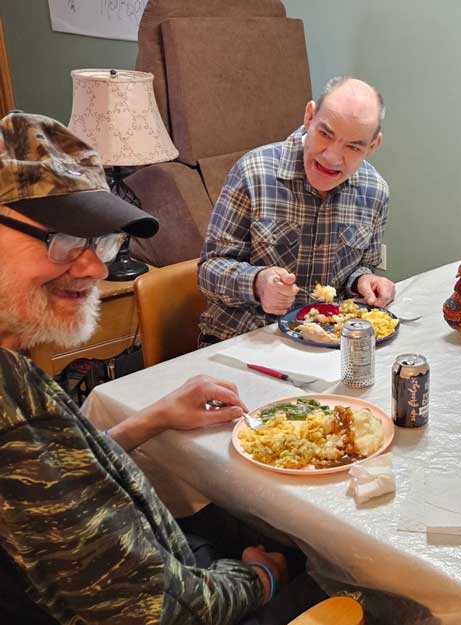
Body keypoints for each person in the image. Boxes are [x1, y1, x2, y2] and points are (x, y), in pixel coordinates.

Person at [0, 112, 323, 625]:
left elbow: (61, 478)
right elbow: (161, 610)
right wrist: (263, 577)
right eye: (63, 239)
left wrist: (153, 418)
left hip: (161, 561)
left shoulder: (15, 363)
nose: (96, 269)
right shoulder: (15, 422)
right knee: (343, 574)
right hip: (181, 602)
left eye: (100, 242)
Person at [198, 76, 395, 344]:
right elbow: (208, 271)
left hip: (326, 342)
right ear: (309, 116)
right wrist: (257, 283)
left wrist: (364, 280)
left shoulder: (375, 192)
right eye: (325, 134)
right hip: (243, 340)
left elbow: (361, 266)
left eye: (353, 146)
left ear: (372, 146)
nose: (332, 157)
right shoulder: (253, 173)